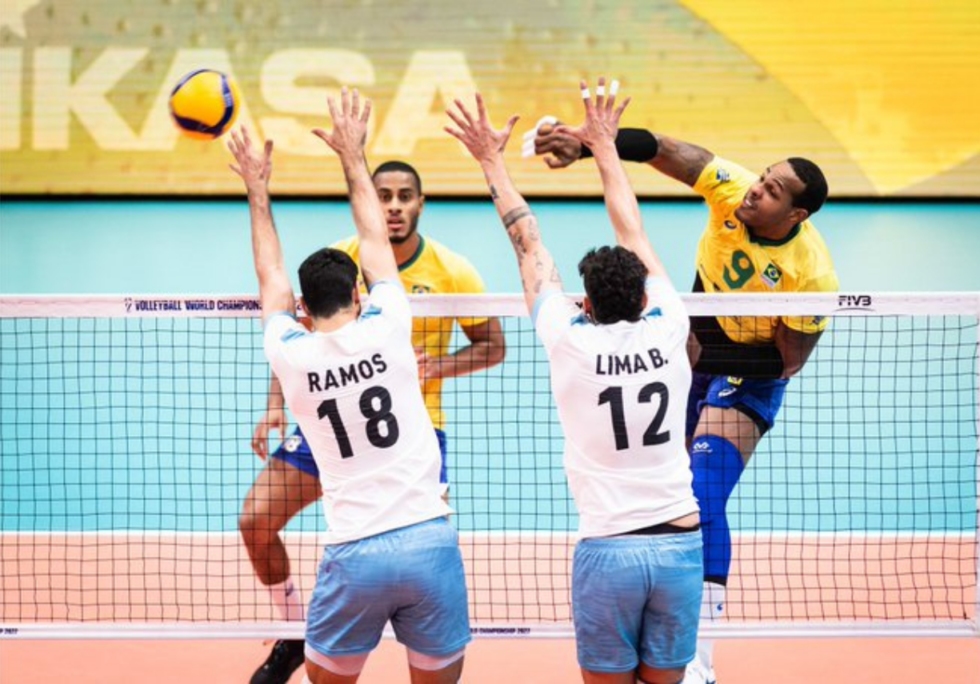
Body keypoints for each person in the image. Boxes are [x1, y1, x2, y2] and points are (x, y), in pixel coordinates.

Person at [531, 100, 839, 683]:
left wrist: (706, 351)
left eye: (773, 192)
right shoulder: (733, 190)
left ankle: (701, 652)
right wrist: (595, 142)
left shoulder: (812, 274)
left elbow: (789, 362)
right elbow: (667, 151)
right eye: (762, 178)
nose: (756, 191)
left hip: (750, 374)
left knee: (700, 495)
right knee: (665, 488)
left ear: (796, 214)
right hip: (690, 351)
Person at [446, 80, 703, 684]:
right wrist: (605, 148)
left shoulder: (568, 336)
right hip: (680, 545)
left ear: (584, 301)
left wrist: (491, 160)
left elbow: (526, 240)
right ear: (644, 295)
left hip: (609, 551)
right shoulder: (670, 323)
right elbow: (632, 229)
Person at [227, 87, 471, 684]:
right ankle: (292, 628)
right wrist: (352, 156)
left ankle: (312, 636)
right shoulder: (391, 320)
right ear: (359, 292)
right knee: (254, 519)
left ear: (303, 309)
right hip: (418, 534)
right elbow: (371, 239)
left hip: (358, 533)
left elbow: (270, 275)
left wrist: (257, 189)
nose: (392, 207)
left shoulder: (290, 345)